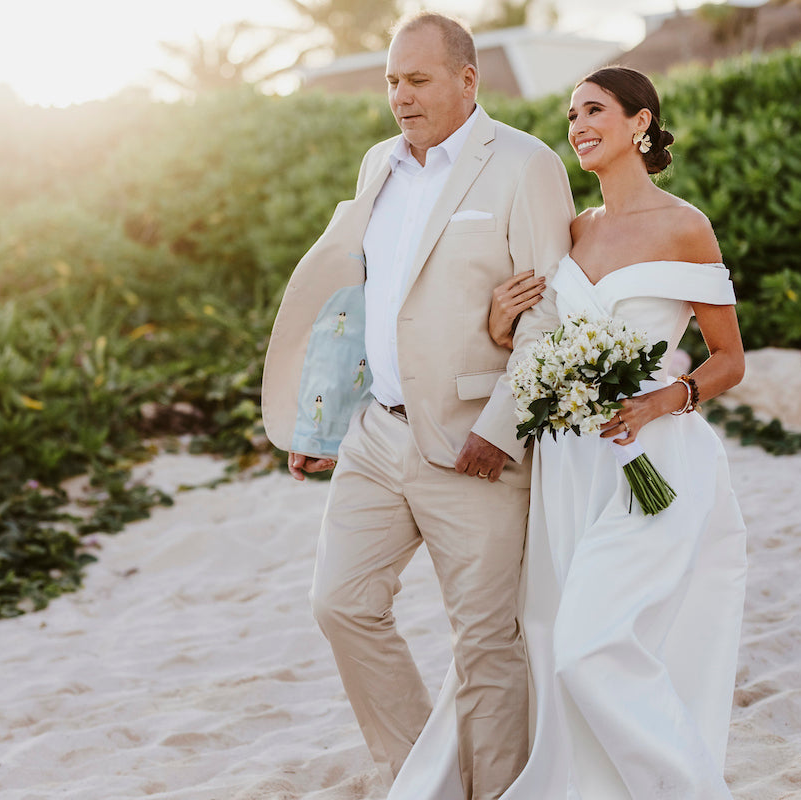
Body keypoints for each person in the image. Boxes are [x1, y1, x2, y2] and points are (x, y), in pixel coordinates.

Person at [387, 67, 748, 800]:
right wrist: (497, 325)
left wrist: (662, 401)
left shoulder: (685, 226)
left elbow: (730, 360)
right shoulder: (575, 228)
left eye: (594, 110)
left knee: (592, 644)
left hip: (649, 461)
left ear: (640, 122)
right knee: (550, 636)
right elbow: (539, 335)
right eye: (571, 115)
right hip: (565, 466)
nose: (578, 125)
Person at [259, 12, 575, 800]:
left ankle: (499, 792)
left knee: (486, 645)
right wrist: (322, 419)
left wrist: (502, 429)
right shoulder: (379, 164)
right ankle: (421, 777)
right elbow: (364, 302)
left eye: (418, 79)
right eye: (393, 81)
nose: (401, 96)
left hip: (476, 442)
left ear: (468, 81)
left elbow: (549, 313)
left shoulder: (525, 165)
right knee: (340, 605)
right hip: (375, 435)